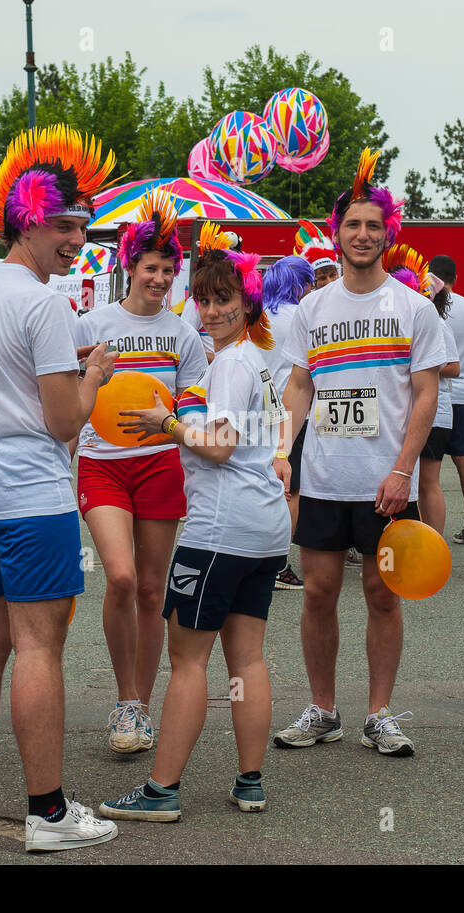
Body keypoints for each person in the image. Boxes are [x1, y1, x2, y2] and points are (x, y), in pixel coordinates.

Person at [0, 123, 120, 851]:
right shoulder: (44, 304)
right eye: (66, 224)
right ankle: (47, 813)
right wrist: (94, 375)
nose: (77, 238)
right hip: (32, 498)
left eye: (83, 224)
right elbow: (66, 422)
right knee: (38, 649)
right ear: (28, 217)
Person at [99, 222, 289, 821]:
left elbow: (221, 447)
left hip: (220, 531)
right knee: (249, 658)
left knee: (188, 661)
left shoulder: (233, 364)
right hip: (263, 530)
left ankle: (161, 791)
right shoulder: (258, 359)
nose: (208, 310)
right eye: (203, 299)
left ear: (247, 300)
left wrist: (167, 426)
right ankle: (250, 782)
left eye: (222, 299)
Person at [272, 148, 444, 756]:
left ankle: (380, 713)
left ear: (387, 233)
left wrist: (403, 471)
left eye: (373, 225)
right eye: (353, 225)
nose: (363, 234)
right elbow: (299, 384)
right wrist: (281, 448)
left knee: (381, 594)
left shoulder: (413, 308)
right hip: (323, 477)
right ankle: (323, 709)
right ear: (336, 232)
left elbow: (426, 396)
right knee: (317, 592)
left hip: (385, 482)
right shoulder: (312, 309)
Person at [73, 190, 206, 753]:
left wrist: (175, 419)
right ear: (129, 266)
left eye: (169, 269)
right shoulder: (90, 324)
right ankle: (125, 695)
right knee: (122, 578)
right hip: (101, 465)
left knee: (152, 590)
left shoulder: (184, 335)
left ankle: (139, 708)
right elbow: (63, 394)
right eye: (150, 267)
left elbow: (195, 408)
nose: (159, 277)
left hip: (159, 466)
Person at [384, 245, 461, 533]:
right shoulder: (408, 320)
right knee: (414, 484)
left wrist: (421, 366)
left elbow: (454, 366)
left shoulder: (434, 322)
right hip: (415, 413)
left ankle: (434, 544)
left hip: (434, 414)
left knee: (427, 484)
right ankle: (421, 541)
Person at [252, 253, 314, 589]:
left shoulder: (256, 317)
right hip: (290, 413)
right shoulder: (302, 317)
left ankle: (252, 555)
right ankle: (277, 563)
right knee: (292, 490)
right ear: (300, 284)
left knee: (258, 484)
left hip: (253, 411)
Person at [429, 255, 464, 545]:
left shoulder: (425, 307)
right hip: (462, 394)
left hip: (432, 395)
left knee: (428, 472)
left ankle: (425, 532)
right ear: (456, 277)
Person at [293, 218, 340, 291]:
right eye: (322, 278)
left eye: (332, 275)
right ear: (311, 283)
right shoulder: (307, 302)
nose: (329, 282)